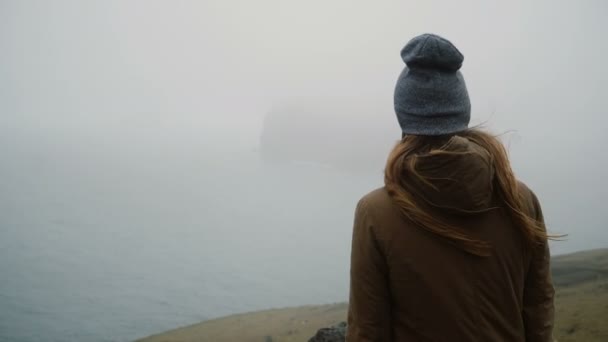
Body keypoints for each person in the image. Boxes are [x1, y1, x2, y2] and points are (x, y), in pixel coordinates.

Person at [346, 34, 555, 342]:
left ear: (404, 115)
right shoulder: (520, 199)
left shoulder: (375, 212)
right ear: (462, 111)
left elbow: (368, 330)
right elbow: (538, 309)